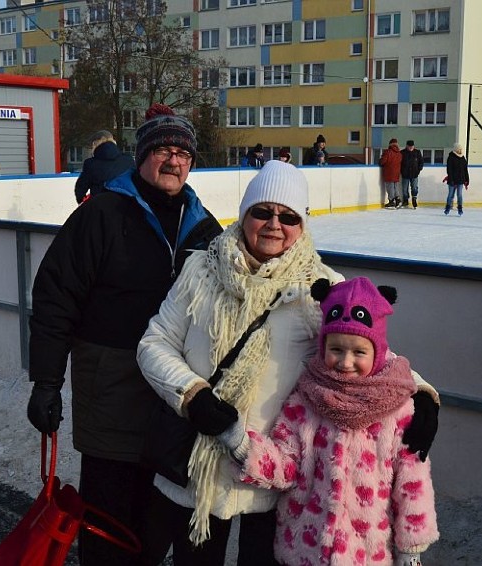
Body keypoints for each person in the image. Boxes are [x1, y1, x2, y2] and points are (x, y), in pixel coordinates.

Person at [136, 160, 440, 565]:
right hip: (199, 465)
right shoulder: (200, 270)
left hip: (273, 474)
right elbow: (154, 343)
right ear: (245, 213)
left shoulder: (320, 288)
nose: (274, 224)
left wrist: (422, 394)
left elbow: (373, 349)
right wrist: (191, 395)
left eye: (288, 216)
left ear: (303, 223)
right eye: (262, 211)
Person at [25, 103, 222, 566]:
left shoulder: (204, 225)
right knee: (109, 516)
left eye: (182, 152)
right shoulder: (102, 214)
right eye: (161, 150)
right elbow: (56, 296)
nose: (172, 161)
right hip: (111, 384)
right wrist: (46, 381)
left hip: (173, 393)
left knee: (157, 519)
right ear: (141, 156)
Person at [219, 277, 440, 566]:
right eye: (336, 349)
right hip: (304, 550)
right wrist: (241, 444)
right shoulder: (305, 400)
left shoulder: (396, 411)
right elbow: (286, 466)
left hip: (366, 554)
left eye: (359, 352)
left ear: (377, 352)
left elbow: (413, 483)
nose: (345, 362)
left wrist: (411, 550)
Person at [74, 130, 134, 204]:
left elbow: (81, 188)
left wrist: (81, 200)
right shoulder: (128, 160)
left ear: (95, 144)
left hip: (100, 207)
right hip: (126, 205)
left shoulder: (91, 164)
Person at [444, 143, 469, 216]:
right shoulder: (451, 157)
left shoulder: (463, 158)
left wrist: (467, 180)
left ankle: (460, 208)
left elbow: (465, 170)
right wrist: (451, 180)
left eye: (461, 149)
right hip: (452, 180)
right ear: (456, 149)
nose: (460, 151)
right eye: (459, 149)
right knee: (450, 195)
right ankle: (448, 207)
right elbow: (449, 170)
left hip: (461, 180)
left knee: (460, 195)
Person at [400, 140, 423, 209]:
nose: (410, 148)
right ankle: (405, 200)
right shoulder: (402, 153)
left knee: (414, 188)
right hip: (405, 174)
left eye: (412, 146)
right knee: (404, 189)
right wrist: (402, 171)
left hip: (414, 174)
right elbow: (399, 163)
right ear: (406, 146)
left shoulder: (417, 152)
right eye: (409, 146)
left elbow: (421, 162)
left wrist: (418, 170)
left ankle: (414, 199)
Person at [379, 138, 402, 208]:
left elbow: (383, 161)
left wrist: (380, 161)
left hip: (389, 172)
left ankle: (391, 201)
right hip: (397, 172)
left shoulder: (387, 152)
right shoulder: (399, 153)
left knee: (390, 187)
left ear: (390, 144)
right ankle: (398, 199)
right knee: (395, 187)